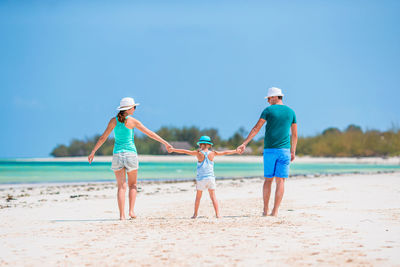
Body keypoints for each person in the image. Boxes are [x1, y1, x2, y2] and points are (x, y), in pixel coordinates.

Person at [88, 97, 172, 220]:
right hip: (130, 155)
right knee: (132, 185)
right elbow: (150, 133)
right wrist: (165, 143)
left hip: (117, 155)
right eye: (134, 107)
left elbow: (103, 138)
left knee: (121, 186)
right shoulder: (132, 121)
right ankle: (131, 212)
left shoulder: (113, 121)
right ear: (129, 109)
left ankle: (122, 215)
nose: (135, 109)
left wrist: (93, 152)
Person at [237, 87, 297, 217]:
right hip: (285, 151)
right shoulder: (291, 112)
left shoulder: (268, 110)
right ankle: (274, 212)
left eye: (269, 98)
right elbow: (295, 135)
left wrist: (244, 143)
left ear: (275, 97)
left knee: (268, 180)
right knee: (280, 181)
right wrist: (293, 151)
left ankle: (265, 210)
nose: (268, 101)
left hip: (270, 150)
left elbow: (256, 128)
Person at [170, 136, 238, 219]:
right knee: (213, 197)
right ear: (209, 145)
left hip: (201, 179)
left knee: (198, 198)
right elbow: (225, 152)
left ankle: (195, 214)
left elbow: (185, 151)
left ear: (200, 145)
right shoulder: (213, 153)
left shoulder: (198, 153)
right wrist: (236, 151)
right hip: (210, 178)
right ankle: (218, 214)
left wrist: (173, 149)